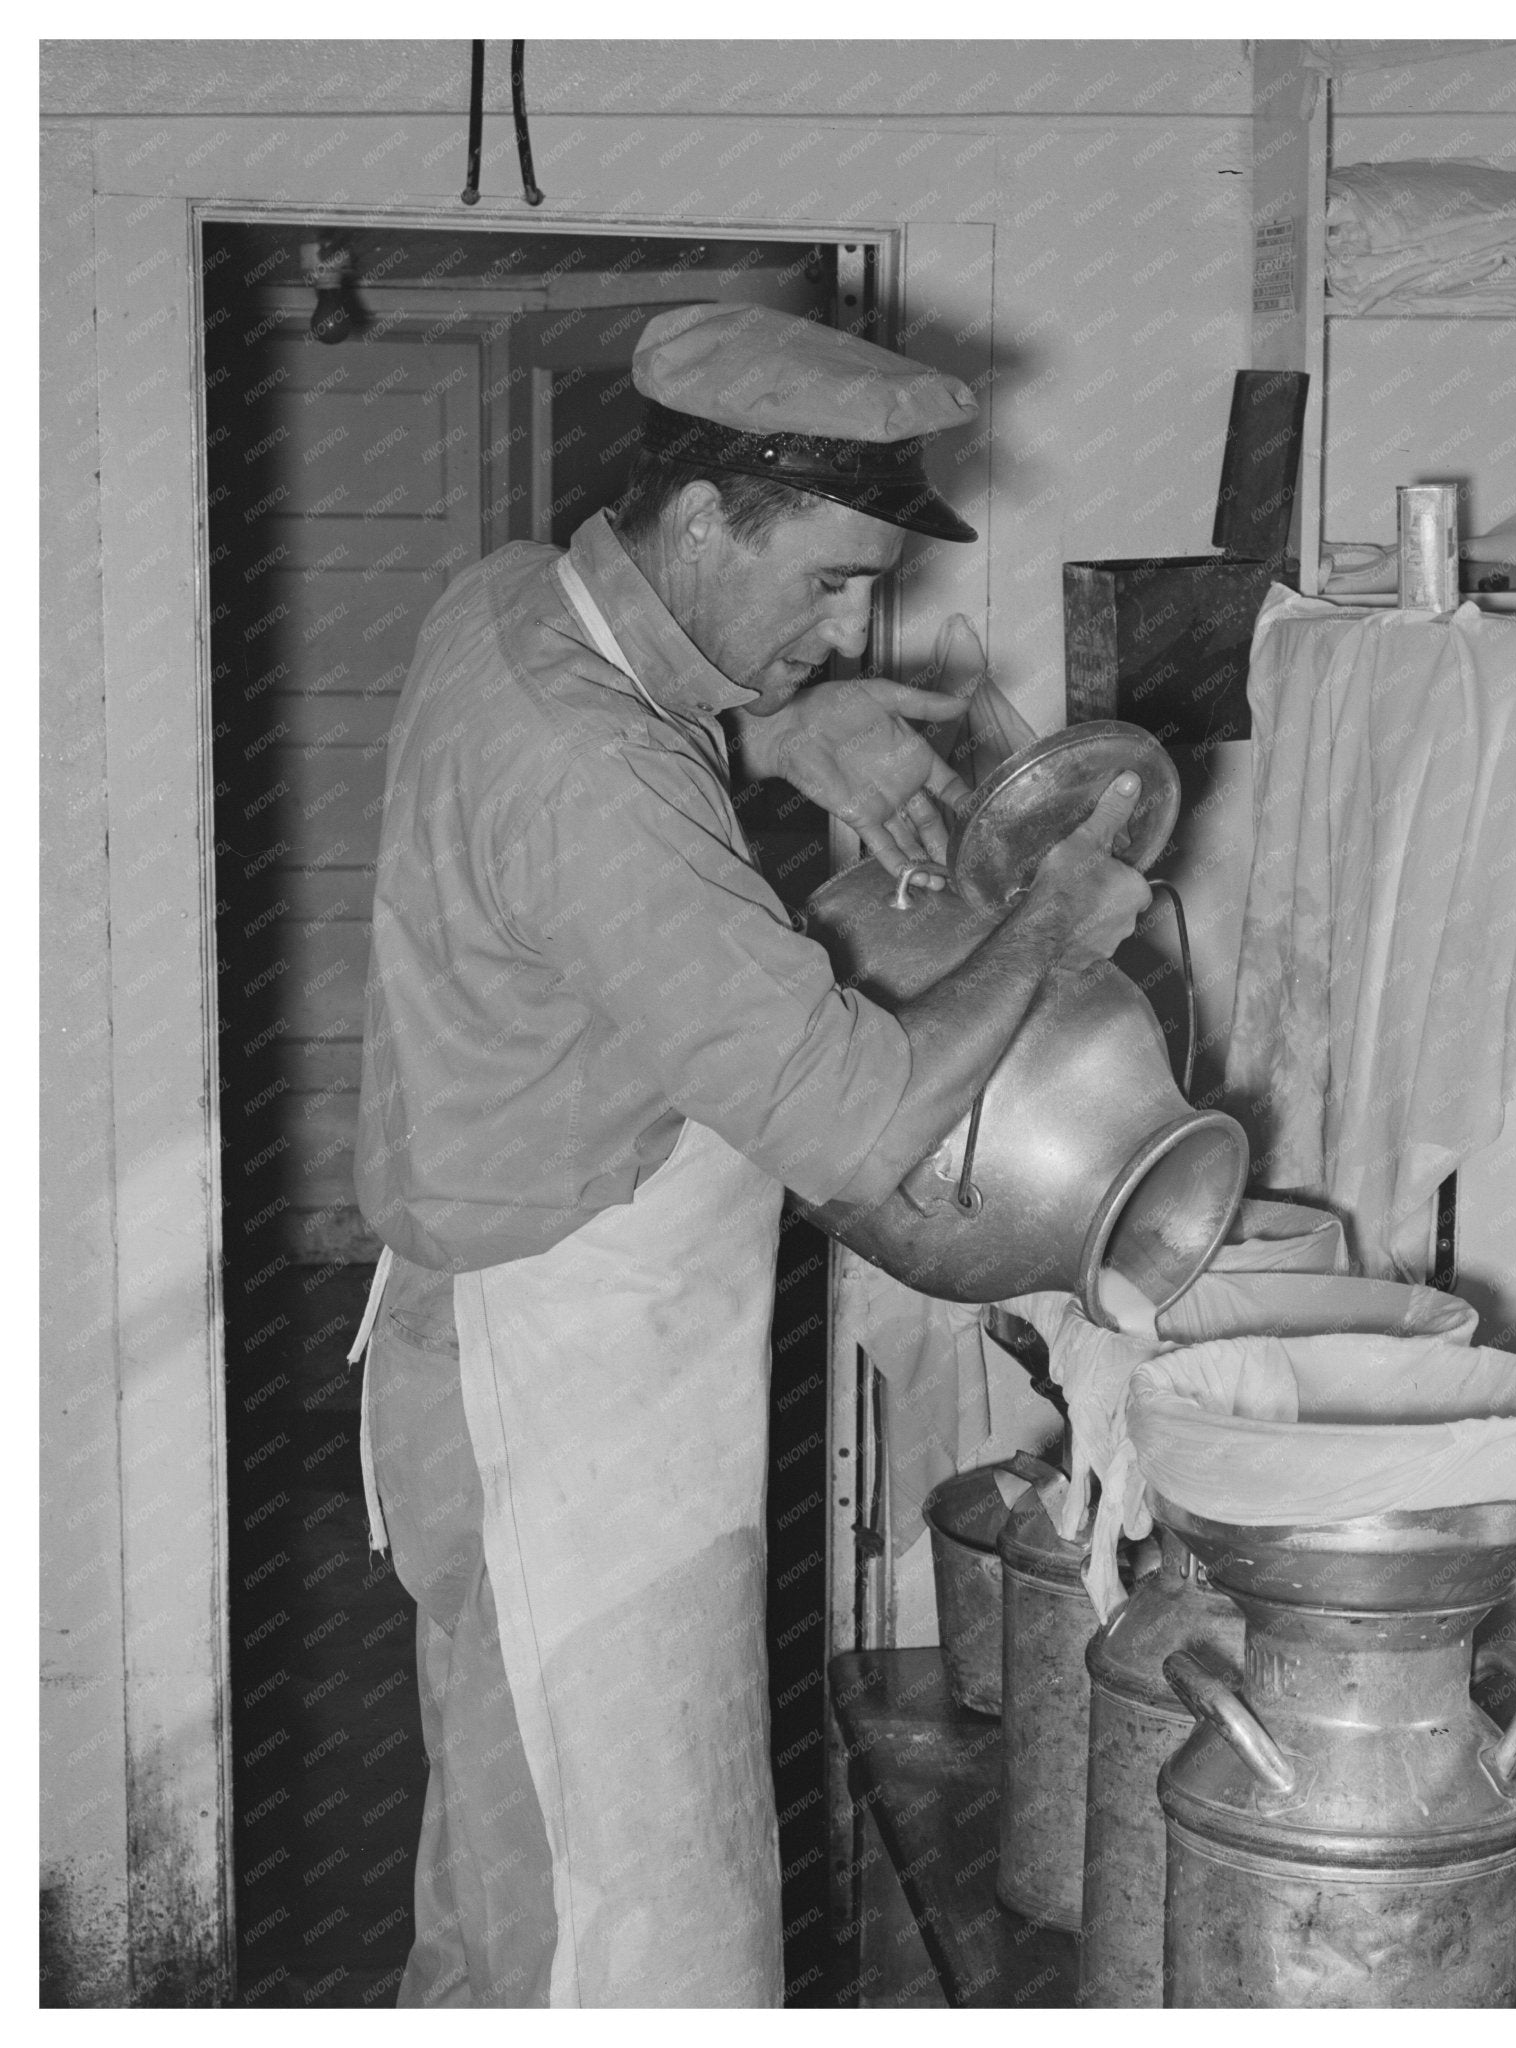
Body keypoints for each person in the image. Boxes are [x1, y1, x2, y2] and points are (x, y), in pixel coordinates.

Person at [348, 302, 1151, 2006]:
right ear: (706, 518)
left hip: (537, 1339)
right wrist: (1056, 931)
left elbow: (619, 734)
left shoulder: (507, 604)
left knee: (523, 1878)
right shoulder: (594, 770)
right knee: (615, 1922)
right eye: (826, 588)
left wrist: (784, 725)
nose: (850, 624)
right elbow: (852, 1117)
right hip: (555, 1393)